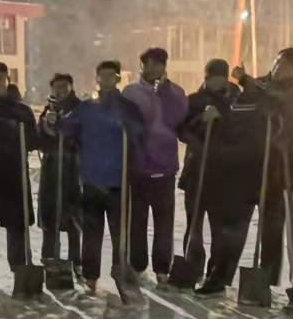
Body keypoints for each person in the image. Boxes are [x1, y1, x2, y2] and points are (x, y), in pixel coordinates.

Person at [178, 60, 268, 296]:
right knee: (194, 226)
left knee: (222, 232)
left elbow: (244, 131)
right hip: (197, 173)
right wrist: (201, 121)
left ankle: (216, 277)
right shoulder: (194, 100)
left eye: (219, 77)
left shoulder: (239, 100)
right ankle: (192, 269)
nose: (214, 82)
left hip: (226, 177)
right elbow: (183, 131)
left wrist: (222, 119)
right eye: (210, 77)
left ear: (226, 77)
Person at [63, 60, 143, 293]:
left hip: (118, 180)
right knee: (92, 234)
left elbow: (139, 135)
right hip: (92, 181)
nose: (106, 80)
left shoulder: (128, 107)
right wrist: (54, 123)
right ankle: (91, 277)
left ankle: (121, 271)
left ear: (118, 78)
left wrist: (128, 128)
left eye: (111, 76)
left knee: (120, 233)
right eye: (102, 76)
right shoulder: (87, 108)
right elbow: (67, 128)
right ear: (97, 78)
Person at [239, 48, 293, 299]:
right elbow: (246, 104)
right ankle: (223, 272)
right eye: (278, 60)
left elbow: (286, 105)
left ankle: (268, 280)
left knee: (274, 226)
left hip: (280, 167)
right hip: (252, 164)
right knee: (239, 224)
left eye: (285, 64)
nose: (278, 66)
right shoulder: (260, 83)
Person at [121, 47, 189, 284]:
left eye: (159, 64)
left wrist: (165, 94)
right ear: (142, 66)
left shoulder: (176, 93)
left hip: (165, 168)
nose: (154, 68)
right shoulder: (130, 93)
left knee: (164, 222)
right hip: (138, 168)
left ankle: (162, 268)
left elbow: (179, 120)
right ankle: (138, 265)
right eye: (149, 64)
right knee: (137, 221)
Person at [0, 62, 36, 279]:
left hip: (14, 177)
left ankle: (20, 272)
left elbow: (32, 141)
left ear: (7, 79)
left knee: (17, 228)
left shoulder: (22, 111)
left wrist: (17, 131)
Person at [36, 73, 83, 265]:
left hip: (73, 170)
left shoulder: (80, 109)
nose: (60, 90)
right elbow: (40, 141)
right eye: (56, 87)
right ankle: (49, 258)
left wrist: (65, 127)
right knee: (50, 215)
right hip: (52, 170)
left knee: (73, 217)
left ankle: (75, 261)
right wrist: (47, 125)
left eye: (64, 86)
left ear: (71, 87)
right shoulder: (48, 110)